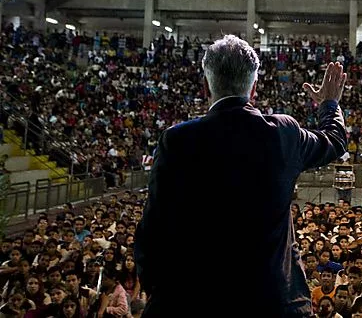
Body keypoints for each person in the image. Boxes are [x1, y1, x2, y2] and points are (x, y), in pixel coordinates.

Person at [135, 36, 348, 317]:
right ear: (254, 88)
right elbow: (335, 139)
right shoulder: (282, 133)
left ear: (205, 86)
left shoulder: (177, 140)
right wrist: (329, 104)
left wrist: (159, 291)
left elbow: (153, 229)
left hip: (193, 302)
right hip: (271, 303)